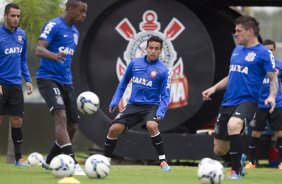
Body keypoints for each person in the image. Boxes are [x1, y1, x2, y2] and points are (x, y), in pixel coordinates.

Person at [202, 16, 278, 179]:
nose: (235, 34)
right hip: (228, 102)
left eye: (239, 31)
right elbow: (231, 75)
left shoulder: (264, 53)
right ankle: (238, 160)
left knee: (234, 125)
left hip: (248, 101)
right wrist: (214, 88)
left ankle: (235, 171)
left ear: (250, 32)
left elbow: (273, 78)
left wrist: (271, 96)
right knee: (219, 149)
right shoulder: (236, 51)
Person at [34, 0, 87, 175]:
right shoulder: (54, 25)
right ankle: (72, 162)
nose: (84, 15)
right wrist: (54, 55)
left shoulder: (75, 33)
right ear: (70, 9)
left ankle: (49, 161)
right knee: (60, 115)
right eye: (81, 11)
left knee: (72, 126)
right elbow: (39, 50)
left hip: (66, 82)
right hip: (47, 79)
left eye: (85, 12)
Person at [104, 36, 172, 171]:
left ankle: (163, 161)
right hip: (133, 105)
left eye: (157, 49)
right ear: (145, 49)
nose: (153, 51)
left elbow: (166, 94)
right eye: (151, 48)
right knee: (113, 129)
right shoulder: (135, 63)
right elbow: (123, 82)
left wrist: (161, 111)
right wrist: (115, 100)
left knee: (152, 126)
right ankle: (105, 162)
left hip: (151, 107)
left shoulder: (163, 70)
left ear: (160, 51)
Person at [0, 3, 33, 166]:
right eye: (12, 16)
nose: (16, 19)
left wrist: (27, 80)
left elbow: (22, 59)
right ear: (5, 16)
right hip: (1, 84)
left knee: (17, 120)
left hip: (15, 85)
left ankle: (18, 159)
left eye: (18, 16)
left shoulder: (21, 35)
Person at [245, 39, 282, 169]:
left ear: (274, 50)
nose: (269, 52)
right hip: (259, 105)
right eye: (266, 50)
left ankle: (281, 163)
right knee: (255, 133)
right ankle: (252, 162)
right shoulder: (256, 64)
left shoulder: (279, 65)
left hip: (276, 104)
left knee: (279, 133)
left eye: (271, 49)